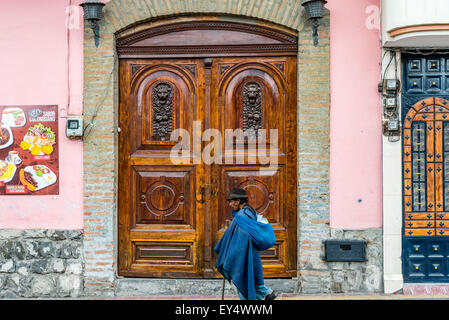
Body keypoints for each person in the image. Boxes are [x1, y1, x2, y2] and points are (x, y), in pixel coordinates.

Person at [214, 187, 278, 300]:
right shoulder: (250, 211)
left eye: (231, 201)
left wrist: (229, 255)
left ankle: (266, 293)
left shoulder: (241, 216)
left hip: (243, 254)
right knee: (249, 280)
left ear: (238, 201)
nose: (230, 204)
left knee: (243, 280)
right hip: (250, 252)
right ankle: (267, 293)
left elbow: (241, 238)